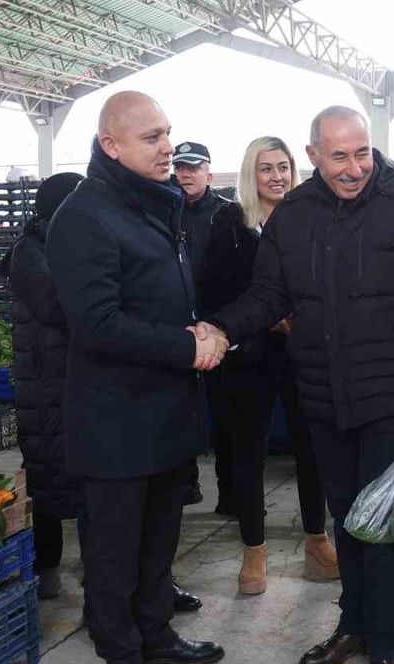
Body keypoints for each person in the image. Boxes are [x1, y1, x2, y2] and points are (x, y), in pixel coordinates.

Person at [201, 105, 394, 664]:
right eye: (338, 156)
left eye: (362, 153)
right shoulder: (292, 216)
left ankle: (386, 642)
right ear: (313, 155)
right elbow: (270, 294)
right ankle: (354, 624)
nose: (353, 168)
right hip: (323, 394)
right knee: (347, 514)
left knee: (383, 521)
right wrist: (222, 328)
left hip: (393, 394)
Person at [46, 91, 225, 664]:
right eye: (152, 137)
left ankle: (158, 638)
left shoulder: (151, 204)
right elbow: (96, 324)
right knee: (115, 552)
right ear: (111, 145)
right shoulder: (85, 215)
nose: (168, 147)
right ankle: (120, 648)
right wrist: (185, 346)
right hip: (116, 422)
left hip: (163, 413)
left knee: (157, 546)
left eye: (167, 133)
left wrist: (194, 332)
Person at [199, 136, 337, 596]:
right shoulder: (230, 222)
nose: (277, 176)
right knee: (249, 455)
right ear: (250, 175)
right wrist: (263, 319)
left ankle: (317, 542)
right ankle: (253, 551)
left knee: (312, 448)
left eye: (283, 166)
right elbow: (216, 291)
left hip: (303, 355)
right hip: (249, 359)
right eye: (266, 168)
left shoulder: (309, 218)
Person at [6, 172, 85, 601]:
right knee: (47, 476)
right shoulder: (29, 250)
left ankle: (98, 572)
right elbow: (55, 306)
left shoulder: (74, 244)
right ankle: (47, 566)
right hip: (45, 384)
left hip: (77, 376)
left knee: (91, 479)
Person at [172, 140, 238, 514]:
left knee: (226, 415)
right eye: (180, 167)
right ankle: (187, 485)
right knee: (180, 410)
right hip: (178, 329)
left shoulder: (227, 214)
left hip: (218, 327)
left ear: (209, 174)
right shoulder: (166, 212)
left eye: (193, 168)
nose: (185, 174)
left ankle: (230, 495)